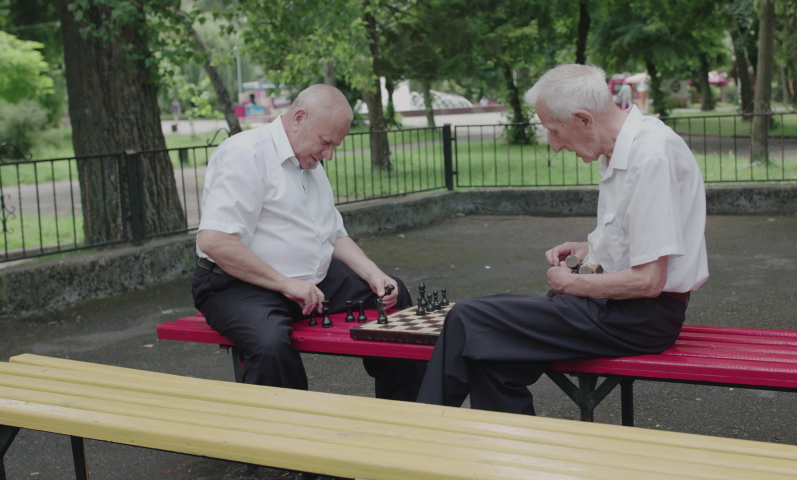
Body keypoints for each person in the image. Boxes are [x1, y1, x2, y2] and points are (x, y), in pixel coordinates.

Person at [416, 64, 708, 415]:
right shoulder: (626, 148)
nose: (554, 146)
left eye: (555, 131)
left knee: (467, 318)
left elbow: (649, 280)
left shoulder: (650, 156)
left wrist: (570, 284)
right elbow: (643, 240)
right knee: (489, 356)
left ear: (584, 119)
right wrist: (590, 248)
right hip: (618, 310)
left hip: (637, 318)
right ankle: (513, 464)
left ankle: (416, 438)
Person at [192, 84, 424, 401]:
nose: (328, 154)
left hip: (308, 282)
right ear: (299, 117)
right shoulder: (245, 153)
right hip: (236, 284)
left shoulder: (309, 161)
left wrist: (373, 274)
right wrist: (285, 283)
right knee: (271, 345)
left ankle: (407, 414)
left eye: (334, 146)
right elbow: (214, 240)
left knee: (394, 296)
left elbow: (334, 235)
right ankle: (288, 439)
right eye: (326, 142)